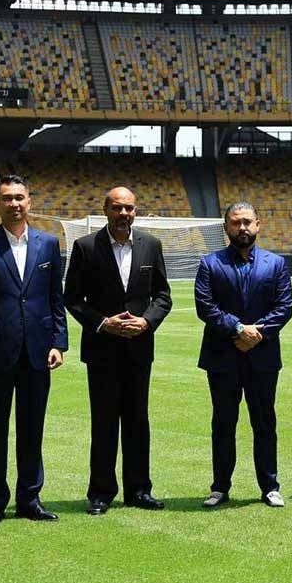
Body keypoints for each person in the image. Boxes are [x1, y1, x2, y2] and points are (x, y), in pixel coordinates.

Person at [0, 174, 68, 527]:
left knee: (32, 429)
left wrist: (58, 342)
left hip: (38, 351)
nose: (14, 203)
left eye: (20, 197)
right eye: (7, 198)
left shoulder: (49, 245)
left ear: (30, 201)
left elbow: (56, 299)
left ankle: (29, 499)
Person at [63, 186, 172, 513]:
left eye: (129, 208)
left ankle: (139, 490)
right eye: (117, 208)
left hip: (139, 349)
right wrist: (102, 322)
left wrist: (146, 322)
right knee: (105, 422)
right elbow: (72, 299)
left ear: (135, 211)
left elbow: (163, 296)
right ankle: (100, 493)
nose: (124, 214)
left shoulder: (151, 245)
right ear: (106, 210)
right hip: (102, 350)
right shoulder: (85, 247)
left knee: (139, 421)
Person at [194, 202, 292, 508]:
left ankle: (270, 486)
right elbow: (205, 307)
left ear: (258, 225)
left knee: (264, 422)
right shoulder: (210, 263)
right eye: (236, 223)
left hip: (262, 357)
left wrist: (256, 334)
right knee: (223, 422)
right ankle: (220, 487)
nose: (242, 228)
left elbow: (284, 307)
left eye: (247, 222)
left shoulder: (275, 264)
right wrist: (238, 329)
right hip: (223, 356)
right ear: (225, 228)